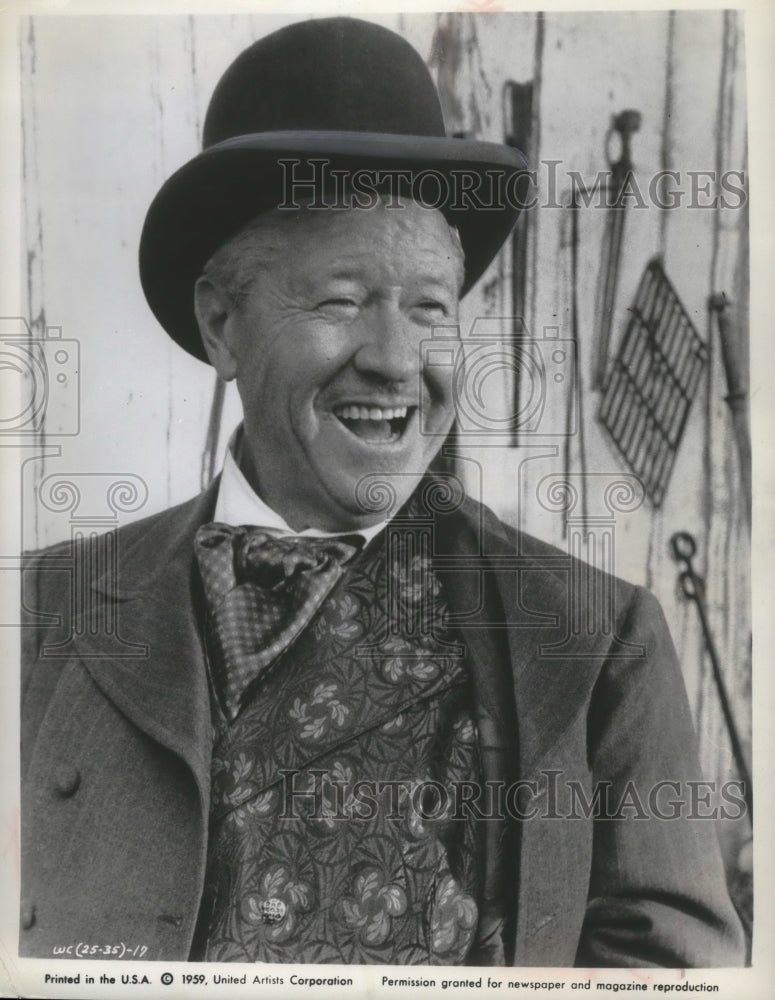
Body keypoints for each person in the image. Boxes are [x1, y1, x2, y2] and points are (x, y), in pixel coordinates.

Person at [20, 16, 744, 967]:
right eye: (342, 299)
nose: (397, 361)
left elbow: (671, 976)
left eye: (428, 308)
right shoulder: (44, 611)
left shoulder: (598, 643)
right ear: (221, 323)